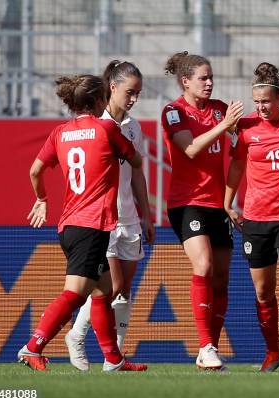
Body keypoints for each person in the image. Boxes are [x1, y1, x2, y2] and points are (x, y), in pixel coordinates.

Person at [19, 74, 147, 372]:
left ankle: (113, 360)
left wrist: (41, 199)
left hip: (70, 223)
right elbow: (137, 162)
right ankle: (32, 346)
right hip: (91, 225)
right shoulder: (107, 129)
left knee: (104, 290)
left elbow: (35, 170)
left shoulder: (60, 132)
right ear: (100, 100)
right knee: (76, 293)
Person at [65, 61, 155, 371]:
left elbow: (137, 173)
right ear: (112, 88)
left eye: (138, 94)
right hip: (101, 216)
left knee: (123, 289)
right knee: (109, 285)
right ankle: (77, 337)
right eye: (129, 92)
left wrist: (147, 214)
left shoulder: (132, 127)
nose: (133, 99)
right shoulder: (95, 124)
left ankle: (113, 357)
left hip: (129, 215)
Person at [161, 51, 244, 370]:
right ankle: (205, 344)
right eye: (203, 78)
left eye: (211, 78)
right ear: (186, 82)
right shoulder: (173, 112)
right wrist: (224, 125)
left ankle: (210, 347)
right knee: (205, 264)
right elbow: (191, 149)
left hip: (216, 205)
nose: (209, 83)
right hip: (187, 203)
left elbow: (240, 143)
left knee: (221, 278)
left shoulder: (221, 109)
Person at [225, 63, 279, 373]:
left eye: (266, 102)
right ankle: (272, 352)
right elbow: (236, 166)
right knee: (263, 292)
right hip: (256, 218)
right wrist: (227, 203)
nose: (261, 107)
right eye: (257, 102)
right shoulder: (245, 128)